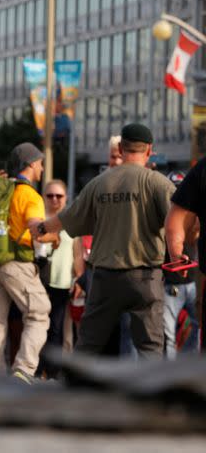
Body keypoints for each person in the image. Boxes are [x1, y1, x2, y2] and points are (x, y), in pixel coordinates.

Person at [35, 124, 175, 359]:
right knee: (150, 348)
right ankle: (152, 395)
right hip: (146, 277)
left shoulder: (99, 184)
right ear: (149, 150)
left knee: (89, 345)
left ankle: (74, 392)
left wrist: (40, 227)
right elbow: (178, 221)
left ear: (121, 148)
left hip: (105, 278)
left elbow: (69, 217)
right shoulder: (158, 184)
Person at [0, 142, 52, 383]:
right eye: (40, 164)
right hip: (17, 263)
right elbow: (36, 231)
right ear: (31, 164)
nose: (42, 169)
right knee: (39, 313)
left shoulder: (1, 190)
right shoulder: (28, 194)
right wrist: (54, 235)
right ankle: (23, 369)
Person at [165, 166, 205, 358]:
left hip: (190, 281)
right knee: (170, 335)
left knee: (194, 327)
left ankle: (185, 366)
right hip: (174, 283)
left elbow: (180, 225)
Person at [38, 179, 75, 377]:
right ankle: (36, 369)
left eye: (59, 196)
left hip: (62, 282)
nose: (54, 199)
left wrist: (78, 280)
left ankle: (52, 372)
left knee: (56, 330)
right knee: (37, 326)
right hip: (39, 281)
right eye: (50, 195)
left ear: (66, 197)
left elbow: (77, 254)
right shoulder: (38, 219)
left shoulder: (71, 220)